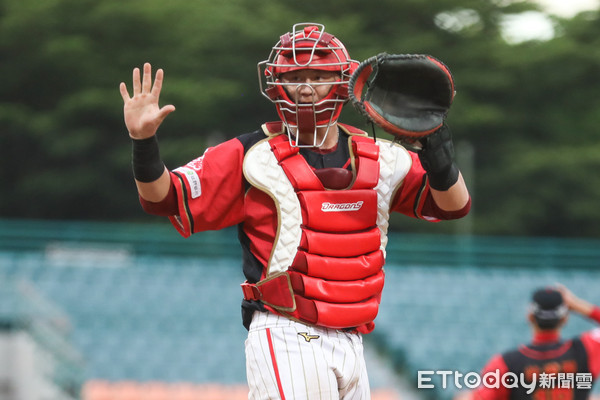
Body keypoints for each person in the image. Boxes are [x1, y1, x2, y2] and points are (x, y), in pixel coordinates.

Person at [119, 22, 471, 399]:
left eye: (318, 76)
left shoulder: (381, 156)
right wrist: (144, 142)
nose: (305, 87)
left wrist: (438, 153)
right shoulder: (250, 154)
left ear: (340, 82)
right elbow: (163, 198)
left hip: (352, 338)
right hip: (285, 330)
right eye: (295, 77)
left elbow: (452, 206)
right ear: (275, 84)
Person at [471, 286, 600, 400]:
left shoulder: (505, 363)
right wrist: (577, 305)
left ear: (530, 317)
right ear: (565, 319)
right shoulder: (585, 350)